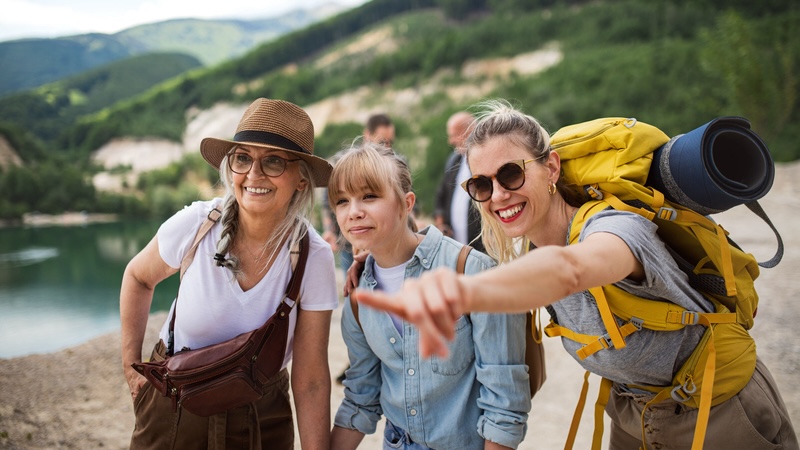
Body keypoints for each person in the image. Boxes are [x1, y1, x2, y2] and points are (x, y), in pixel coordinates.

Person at [356, 99, 798, 449]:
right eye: (482, 184)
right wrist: (373, 258)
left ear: (550, 168)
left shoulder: (613, 228)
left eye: (511, 174)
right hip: (635, 413)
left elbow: (571, 269)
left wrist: (463, 292)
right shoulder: (531, 246)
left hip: (723, 412)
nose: (498, 195)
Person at [120, 98, 338, 449]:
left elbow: (311, 378)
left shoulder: (314, 256)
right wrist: (130, 367)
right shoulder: (197, 224)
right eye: (242, 158)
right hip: (174, 409)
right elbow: (138, 277)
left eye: (273, 161)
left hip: (261, 419)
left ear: (302, 180)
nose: (253, 174)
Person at [327, 142, 531, 450]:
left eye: (369, 196)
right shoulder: (358, 297)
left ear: (406, 203)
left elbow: (505, 402)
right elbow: (361, 397)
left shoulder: (471, 271)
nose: (354, 212)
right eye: (342, 201)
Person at [434, 111, 485, 252]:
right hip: (456, 247)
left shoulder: (486, 161)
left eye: (453, 135)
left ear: (468, 132)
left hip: (484, 247)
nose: (451, 141)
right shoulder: (454, 160)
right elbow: (441, 194)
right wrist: (441, 224)